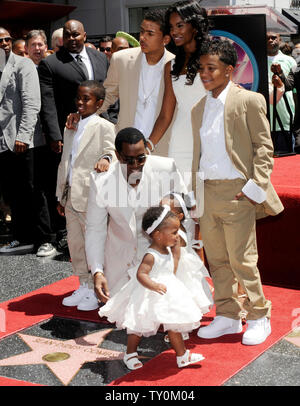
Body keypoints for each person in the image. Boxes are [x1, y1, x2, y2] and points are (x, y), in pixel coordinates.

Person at [191, 39, 284, 345]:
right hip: (208, 191)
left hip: (237, 193)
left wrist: (253, 188)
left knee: (243, 260)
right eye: (201, 67)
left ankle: (259, 316)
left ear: (229, 70)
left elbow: (263, 148)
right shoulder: (199, 107)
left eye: (211, 68)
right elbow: (199, 153)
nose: (204, 73)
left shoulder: (249, 100)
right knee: (216, 259)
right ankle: (228, 316)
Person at [85, 127, 187, 305]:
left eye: (141, 159)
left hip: (162, 258)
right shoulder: (101, 180)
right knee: (125, 319)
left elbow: (186, 213)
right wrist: (97, 271)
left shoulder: (166, 168)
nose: (135, 165)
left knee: (167, 314)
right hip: (120, 264)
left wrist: (182, 255)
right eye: (128, 160)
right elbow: (95, 229)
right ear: (117, 156)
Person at [99, 205, 205, 370]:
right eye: (174, 232)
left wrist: (176, 251)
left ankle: (182, 355)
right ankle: (130, 353)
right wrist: (153, 285)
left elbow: (172, 267)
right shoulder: (151, 255)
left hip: (167, 293)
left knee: (173, 324)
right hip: (148, 293)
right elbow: (141, 274)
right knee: (138, 326)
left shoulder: (168, 250)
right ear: (158, 235)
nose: (177, 236)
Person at [38, 19, 109, 249]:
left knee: (100, 179)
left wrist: (113, 121)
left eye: (76, 35)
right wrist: (55, 135)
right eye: (67, 35)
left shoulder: (99, 57)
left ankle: (101, 229)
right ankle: (66, 232)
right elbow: (47, 102)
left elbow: (109, 91)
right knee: (69, 179)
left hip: (102, 128)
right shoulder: (51, 63)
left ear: (85, 35)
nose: (72, 39)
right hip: (70, 131)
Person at [57, 81, 116, 311]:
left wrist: (106, 159)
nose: (81, 103)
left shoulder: (104, 127)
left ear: (99, 103)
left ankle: (96, 286)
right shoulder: (71, 124)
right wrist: (60, 194)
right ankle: (82, 282)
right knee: (75, 242)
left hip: (90, 194)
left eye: (87, 99)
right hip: (70, 192)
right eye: (79, 98)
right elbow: (66, 160)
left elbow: (111, 151)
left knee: (93, 243)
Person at [88, 9, 174, 157]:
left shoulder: (175, 66)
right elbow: (107, 95)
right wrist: (83, 114)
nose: (142, 37)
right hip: (126, 149)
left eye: (150, 34)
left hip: (161, 149)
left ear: (165, 39)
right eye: (141, 32)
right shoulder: (121, 59)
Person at [147, 0, 208, 188]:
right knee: (181, 203)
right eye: (172, 27)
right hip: (180, 141)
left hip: (208, 140)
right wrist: (147, 146)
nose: (174, 32)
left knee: (205, 203)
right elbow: (166, 114)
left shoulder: (213, 59)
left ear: (195, 26)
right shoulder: (170, 66)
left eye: (180, 25)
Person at [0, 27, 41, 255]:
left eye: (8, 39)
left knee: (26, 191)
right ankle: (18, 237)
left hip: (19, 140)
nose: (5, 43)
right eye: (0, 40)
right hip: (1, 141)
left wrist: (23, 136)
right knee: (10, 193)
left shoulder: (22, 64)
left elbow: (31, 103)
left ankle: (32, 238)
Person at [160, 193, 213, 343]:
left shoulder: (176, 234)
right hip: (179, 268)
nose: (161, 214)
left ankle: (181, 329)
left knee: (181, 299)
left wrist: (171, 274)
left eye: (166, 212)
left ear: (179, 215)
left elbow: (176, 257)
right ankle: (176, 326)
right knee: (176, 301)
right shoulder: (176, 229)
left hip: (180, 271)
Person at [25, 29, 57, 257]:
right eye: (33, 45)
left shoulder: (53, 68)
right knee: (37, 189)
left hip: (55, 139)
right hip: (32, 141)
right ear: (26, 48)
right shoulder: (19, 71)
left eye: (40, 44)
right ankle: (44, 238)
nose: (37, 48)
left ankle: (59, 233)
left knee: (55, 186)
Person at [267, 31, 296, 140]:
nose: (270, 40)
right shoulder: (256, 62)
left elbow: (293, 88)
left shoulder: (290, 61)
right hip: (263, 121)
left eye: (273, 37)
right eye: (267, 38)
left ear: (279, 40)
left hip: (285, 120)